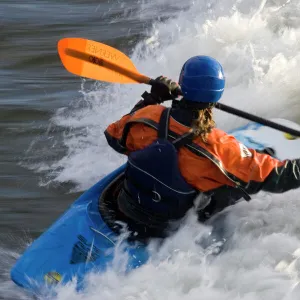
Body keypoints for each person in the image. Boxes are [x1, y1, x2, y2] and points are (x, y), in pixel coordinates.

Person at [104, 55, 300, 238]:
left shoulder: (146, 116)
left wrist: (153, 98)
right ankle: (250, 164)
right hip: (167, 229)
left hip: (126, 207)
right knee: (235, 183)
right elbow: (279, 177)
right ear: (216, 96)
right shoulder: (218, 147)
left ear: (182, 83)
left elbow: (115, 137)